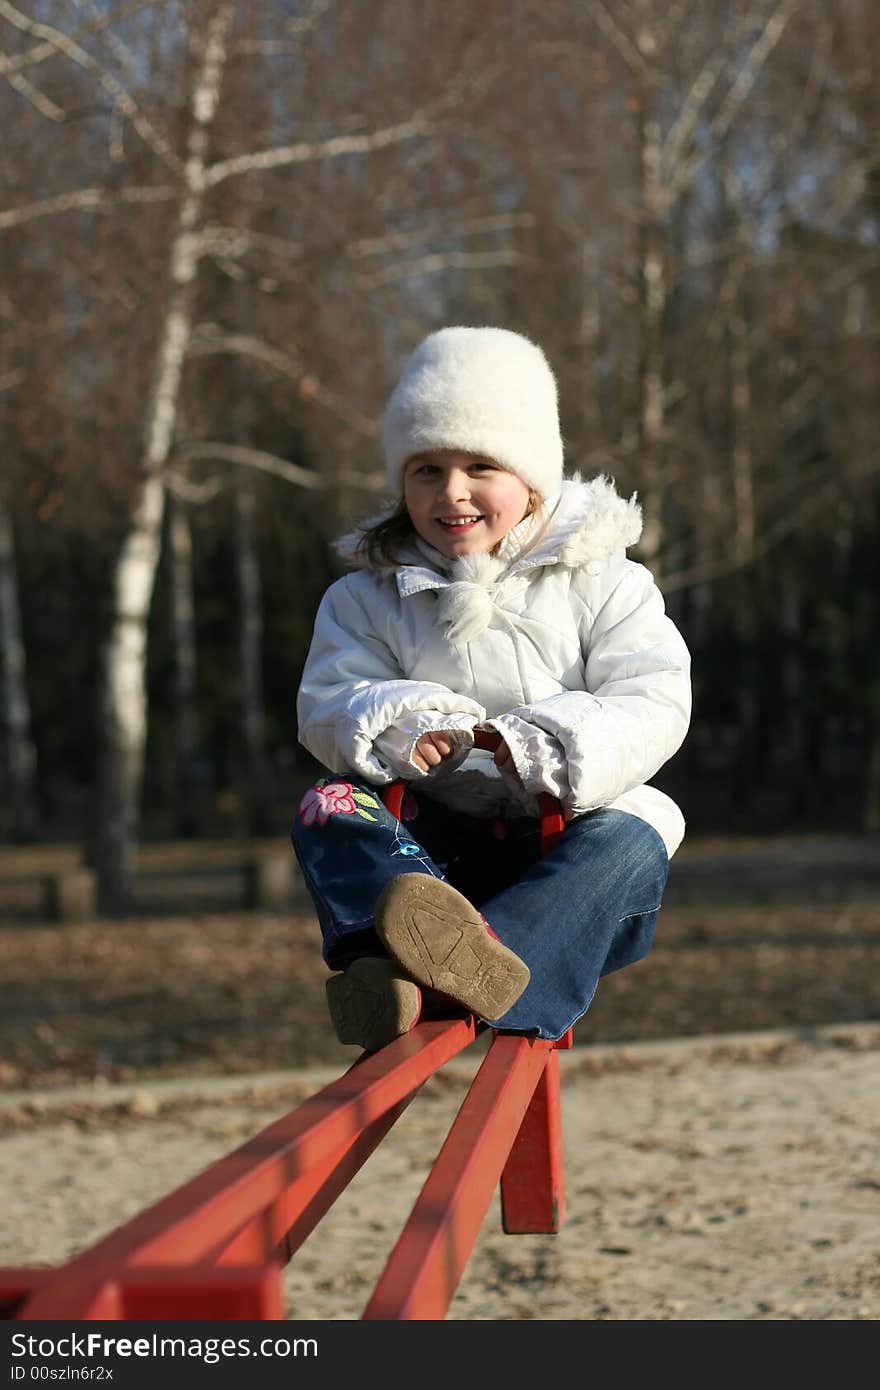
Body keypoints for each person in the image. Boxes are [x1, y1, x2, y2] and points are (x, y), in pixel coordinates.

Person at [292, 325, 692, 1052]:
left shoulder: (607, 581)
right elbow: (327, 700)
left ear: (533, 476)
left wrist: (547, 743)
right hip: (432, 857)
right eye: (426, 470)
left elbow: (653, 695)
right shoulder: (365, 598)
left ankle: (488, 964)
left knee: (640, 833)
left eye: (481, 465)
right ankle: (386, 960)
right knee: (329, 802)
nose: (453, 493)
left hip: (568, 849)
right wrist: (408, 727)